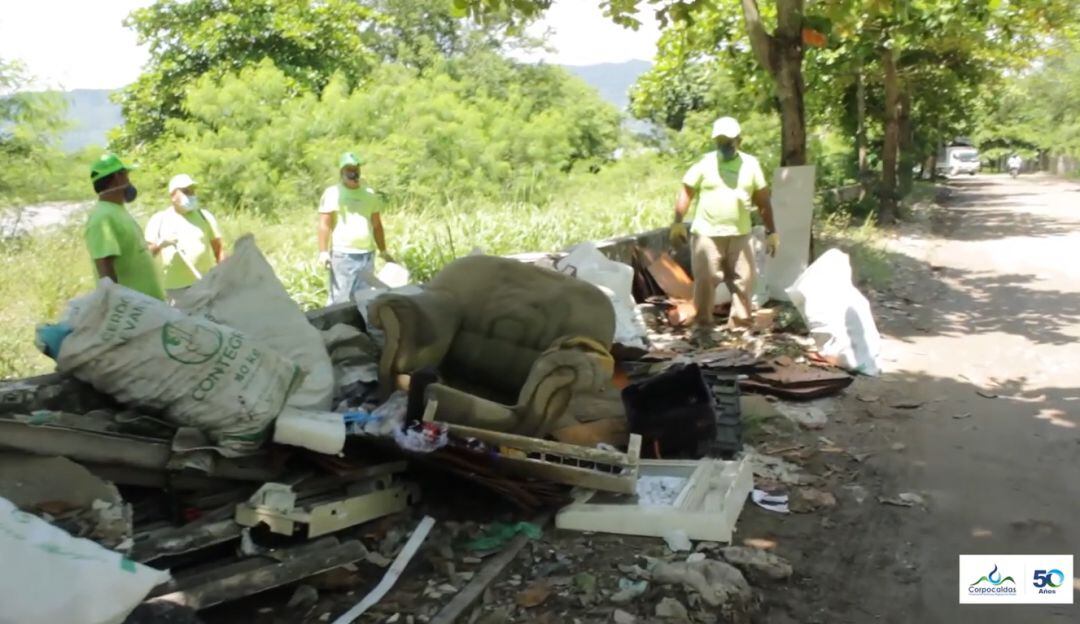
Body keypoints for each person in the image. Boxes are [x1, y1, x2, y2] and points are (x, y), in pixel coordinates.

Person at [670, 116, 779, 339]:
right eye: (720, 140)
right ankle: (703, 329)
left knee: (744, 281)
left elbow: (763, 200)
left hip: (740, 234)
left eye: (729, 140)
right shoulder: (704, 163)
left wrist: (772, 231)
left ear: (739, 140)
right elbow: (686, 192)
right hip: (707, 235)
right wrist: (677, 222)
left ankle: (740, 327)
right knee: (705, 282)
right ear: (715, 141)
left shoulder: (750, 164)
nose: (725, 145)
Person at [85, 153, 166, 300]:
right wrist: (118, 305)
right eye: (126, 176)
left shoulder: (117, 211)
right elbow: (105, 269)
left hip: (149, 308)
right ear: (118, 177)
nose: (129, 182)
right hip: (134, 313)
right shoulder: (102, 218)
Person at [317, 152, 392, 304]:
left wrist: (383, 250)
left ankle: (358, 327)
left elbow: (377, 225)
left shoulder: (369, 194)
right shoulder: (333, 193)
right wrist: (323, 252)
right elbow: (324, 224)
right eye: (348, 170)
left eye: (355, 169)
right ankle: (336, 327)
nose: (353, 174)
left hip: (366, 255)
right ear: (342, 172)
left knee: (364, 298)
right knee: (340, 299)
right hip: (343, 255)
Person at [144, 174, 225, 303]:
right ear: (172, 195)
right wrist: (160, 244)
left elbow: (219, 249)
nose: (191, 195)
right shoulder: (159, 219)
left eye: (192, 191)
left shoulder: (205, 216)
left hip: (203, 285)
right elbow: (145, 255)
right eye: (186, 192)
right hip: (175, 290)